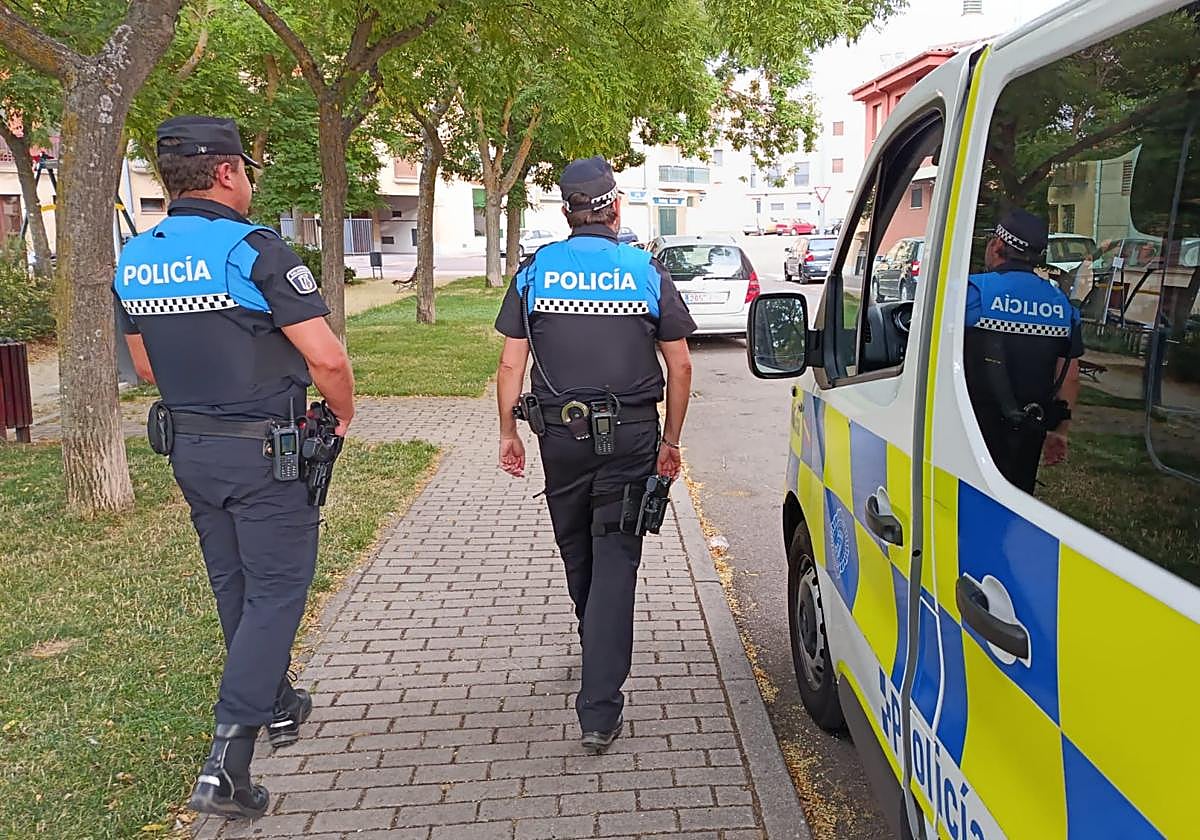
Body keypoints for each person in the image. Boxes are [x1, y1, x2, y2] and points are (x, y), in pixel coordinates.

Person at [111, 116, 355, 819]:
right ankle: (226, 766)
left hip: (191, 449)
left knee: (235, 583)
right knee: (276, 591)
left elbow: (146, 366)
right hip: (265, 452)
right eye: (245, 169)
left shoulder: (136, 257)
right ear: (225, 172)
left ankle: (275, 700)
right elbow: (327, 357)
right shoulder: (254, 250)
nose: (248, 181)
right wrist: (343, 413)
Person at [493, 156, 696, 754]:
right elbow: (681, 365)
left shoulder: (535, 271)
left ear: (566, 211)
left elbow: (510, 363)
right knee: (616, 556)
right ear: (614, 208)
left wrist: (507, 432)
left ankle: (596, 651)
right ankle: (600, 705)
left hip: (560, 438)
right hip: (630, 438)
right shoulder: (644, 270)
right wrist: (671, 441)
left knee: (577, 548)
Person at [964, 208, 1082, 493]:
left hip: (969, 424)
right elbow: (1070, 375)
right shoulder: (1061, 305)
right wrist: (1060, 432)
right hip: (1030, 427)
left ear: (997, 246)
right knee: (1016, 497)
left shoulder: (972, 292)